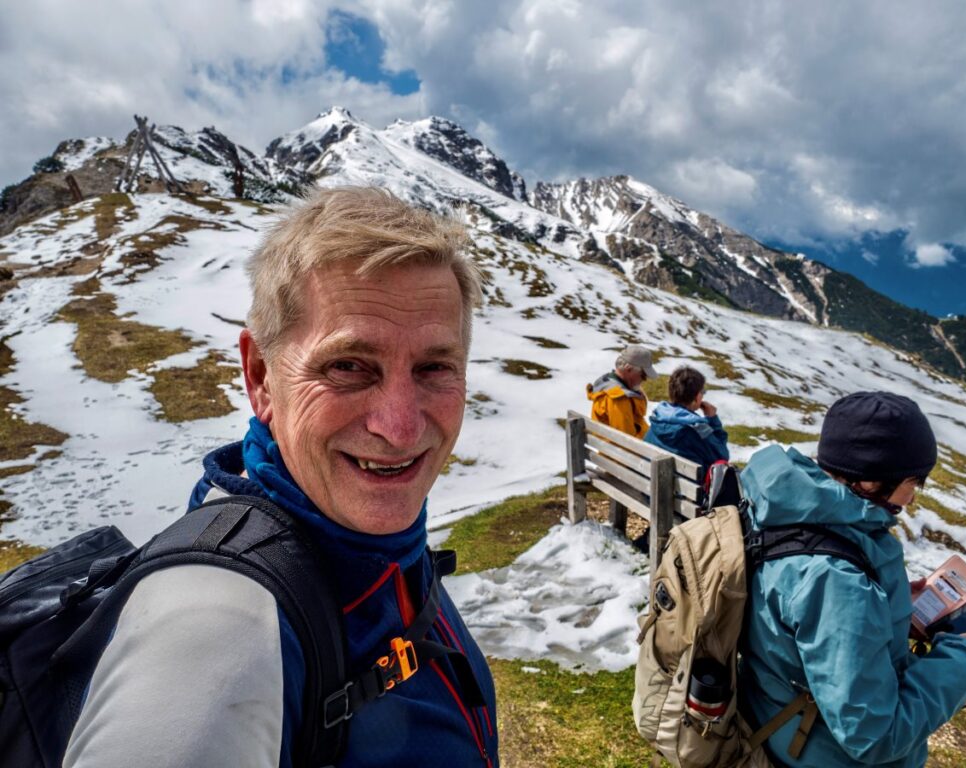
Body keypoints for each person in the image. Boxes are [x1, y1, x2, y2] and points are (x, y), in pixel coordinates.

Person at [64, 187, 499, 767]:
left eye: (434, 367)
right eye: (348, 366)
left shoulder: (379, 554)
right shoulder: (213, 631)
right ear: (261, 376)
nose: (399, 428)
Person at [738, 391, 966, 768]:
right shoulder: (839, 582)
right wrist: (962, 655)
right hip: (815, 754)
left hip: (773, 714)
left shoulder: (781, 508)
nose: (913, 497)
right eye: (914, 482)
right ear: (872, 481)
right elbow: (875, 736)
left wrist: (888, 608)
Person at [643, 365, 728, 478]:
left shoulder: (658, 418)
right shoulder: (696, 429)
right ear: (696, 397)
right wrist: (713, 420)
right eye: (702, 392)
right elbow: (722, 457)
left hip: (649, 482)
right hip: (686, 489)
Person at [586, 344, 658, 438]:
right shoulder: (619, 399)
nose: (644, 380)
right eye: (643, 375)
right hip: (631, 447)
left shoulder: (608, 383)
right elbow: (626, 441)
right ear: (629, 369)